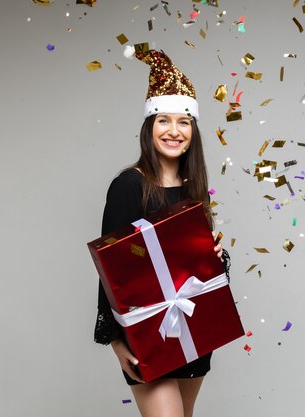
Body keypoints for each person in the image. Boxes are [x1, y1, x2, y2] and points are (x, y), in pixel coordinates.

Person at [93, 48, 230, 417]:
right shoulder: (128, 186)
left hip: (193, 329)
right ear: (149, 127)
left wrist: (217, 256)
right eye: (163, 121)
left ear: (193, 130)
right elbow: (111, 270)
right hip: (147, 335)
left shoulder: (193, 187)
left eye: (184, 122)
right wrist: (115, 343)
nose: (174, 131)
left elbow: (197, 269)